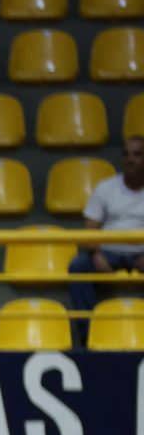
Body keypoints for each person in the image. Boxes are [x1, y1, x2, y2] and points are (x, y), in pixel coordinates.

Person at [68, 136, 144, 346]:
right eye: (126, 154)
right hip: (109, 252)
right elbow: (90, 228)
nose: (130, 159)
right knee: (78, 266)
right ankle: (89, 335)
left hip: (142, 253)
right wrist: (96, 254)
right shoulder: (105, 187)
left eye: (137, 155)